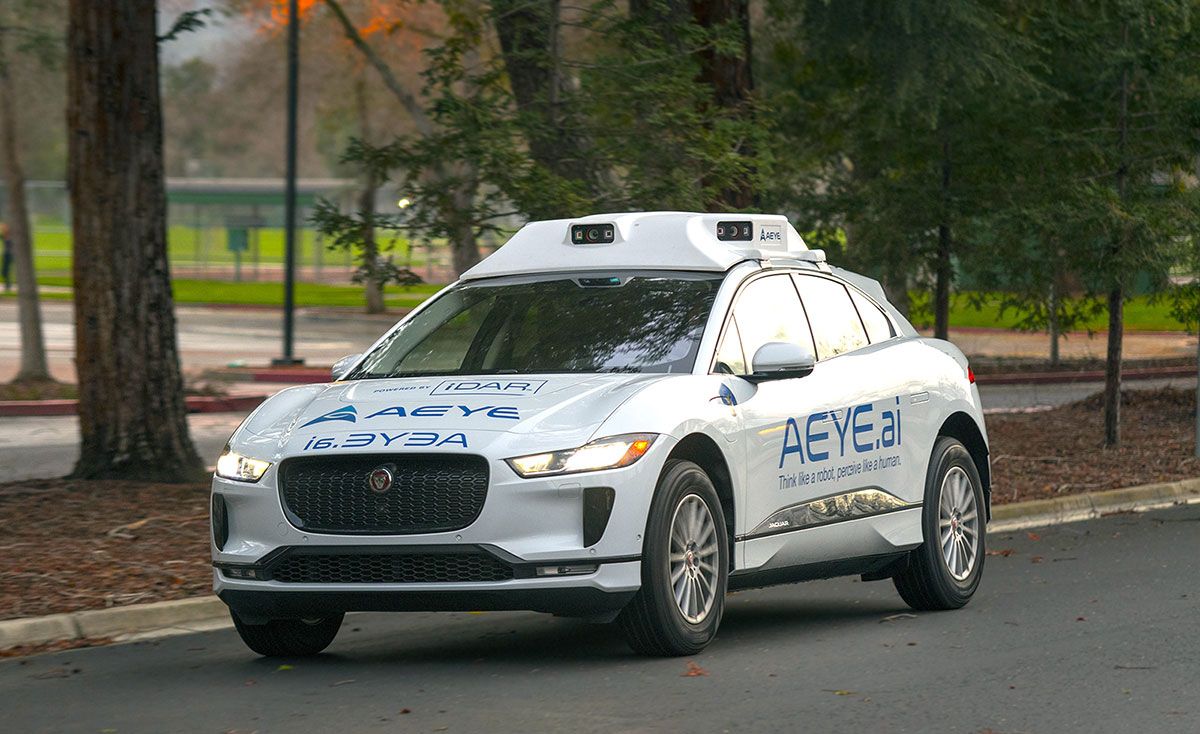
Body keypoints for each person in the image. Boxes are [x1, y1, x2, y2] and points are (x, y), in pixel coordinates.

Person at [1, 223, 13, 292]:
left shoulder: (12, 237)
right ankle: (7, 284)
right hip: (6, 255)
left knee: (7, 270)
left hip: (10, 255)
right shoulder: (3, 236)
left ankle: (8, 285)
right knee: (4, 271)